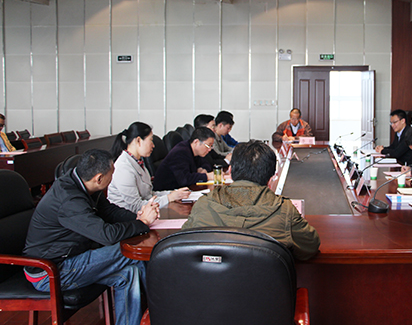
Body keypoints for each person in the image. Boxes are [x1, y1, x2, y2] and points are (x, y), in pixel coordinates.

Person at [23, 149, 158, 325]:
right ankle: (160, 311)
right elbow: (107, 236)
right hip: (50, 270)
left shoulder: (83, 183)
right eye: (112, 174)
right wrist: (142, 223)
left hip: (71, 258)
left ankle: (151, 315)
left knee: (129, 274)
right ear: (99, 178)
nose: (113, 178)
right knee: (131, 252)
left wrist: (137, 217)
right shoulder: (69, 200)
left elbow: (109, 211)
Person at [183, 140, 320, 261]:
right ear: (272, 178)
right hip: (265, 282)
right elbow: (310, 247)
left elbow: (182, 244)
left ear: (230, 171)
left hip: (210, 282)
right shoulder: (284, 211)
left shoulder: (203, 205)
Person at [107, 122, 190, 212]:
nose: (153, 145)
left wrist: (174, 193)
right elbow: (136, 206)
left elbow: (149, 195)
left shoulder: (138, 162)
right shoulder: (123, 168)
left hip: (144, 213)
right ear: (138, 140)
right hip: (128, 216)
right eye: (151, 140)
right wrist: (169, 198)